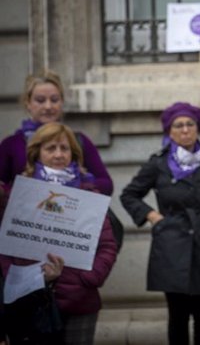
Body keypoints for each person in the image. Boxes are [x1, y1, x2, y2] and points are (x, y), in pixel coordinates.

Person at [120, 102, 200, 345]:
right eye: (178, 125)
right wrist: (152, 217)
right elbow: (129, 194)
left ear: (197, 128)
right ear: (169, 131)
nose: (185, 130)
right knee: (177, 318)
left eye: (190, 124)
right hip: (171, 245)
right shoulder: (157, 164)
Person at [0, 122, 118, 345]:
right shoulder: (19, 194)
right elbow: (5, 247)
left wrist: (89, 278)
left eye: (64, 148)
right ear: (37, 153)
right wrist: (23, 279)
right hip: (30, 300)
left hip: (80, 300)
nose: (58, 154)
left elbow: (107, 245)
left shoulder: (88, 192)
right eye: (50, 148)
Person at [0, 70, 113, 195]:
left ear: (62, 102)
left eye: (54, 100)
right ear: (28, 103)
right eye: (40, 100)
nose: (48, 106)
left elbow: (106, 184)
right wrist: (25, 192)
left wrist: (74, 186)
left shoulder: (78, 140)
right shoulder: (11, 145)